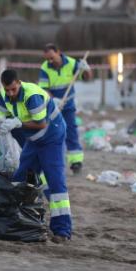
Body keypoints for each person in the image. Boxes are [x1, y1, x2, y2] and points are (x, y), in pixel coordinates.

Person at [0, 69, 72, 243]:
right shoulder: (4, 94)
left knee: (55, 183)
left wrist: (17, 123)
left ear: (19, 83)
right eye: (7, 90)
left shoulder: (32, 96)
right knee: (23, 178)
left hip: (51, 138)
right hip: (33, 141)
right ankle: (24, 219)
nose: (10, 93)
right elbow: (1, 113)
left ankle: (62, 231)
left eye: (13, 90)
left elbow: (41, 123)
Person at [38, 43, 92, 174]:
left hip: (68, 104)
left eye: (52, 57)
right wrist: (53, 101)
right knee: (52, 133)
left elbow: (86, 78)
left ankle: (76, 161)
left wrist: (86, 70)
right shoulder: (45, 68)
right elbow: (44, 89)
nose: (50, 61)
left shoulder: (72, 63)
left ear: (58, 52)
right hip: (53, 105)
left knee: (71, 131)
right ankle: (51, 162)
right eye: (47, 59)